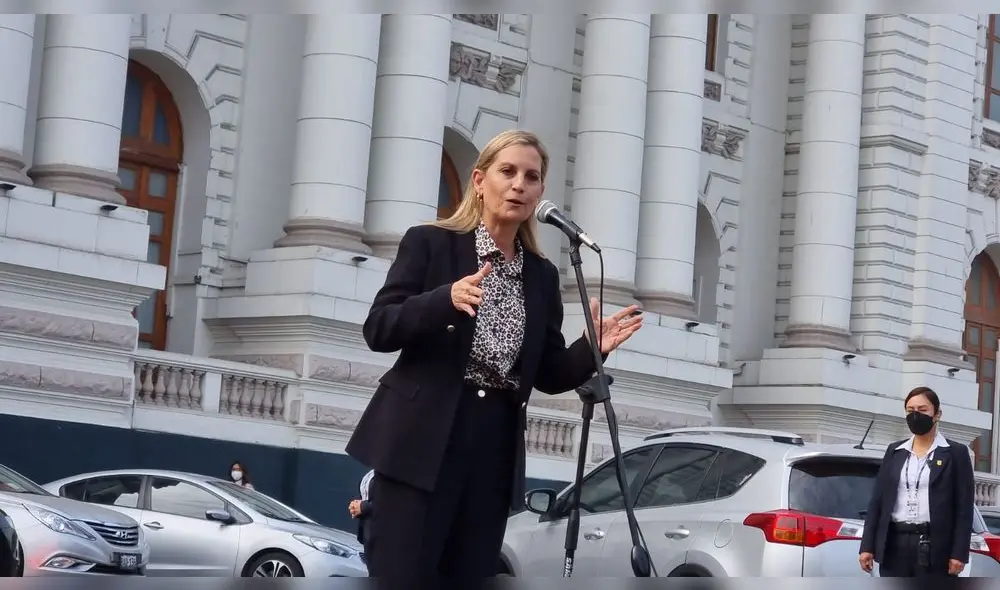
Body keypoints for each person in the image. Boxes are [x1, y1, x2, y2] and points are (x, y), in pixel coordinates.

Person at [345, 129, 643, 581]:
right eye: (508, 172)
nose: (519, 184)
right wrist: (443, 299)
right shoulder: (430, 243)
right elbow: (379, 328)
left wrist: (590, 350)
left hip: (494, 447)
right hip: (421, 442)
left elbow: (546, 372)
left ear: (542, 192)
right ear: (479, 181)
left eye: (532, 176)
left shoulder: (542, 276)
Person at [858, 386, 975, 577]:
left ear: (937, 414)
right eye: (910, 411)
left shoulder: (955, 453)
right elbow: (878, 502)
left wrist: (959, 554)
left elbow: (964, 508)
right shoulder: (895, 451)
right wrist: (867, 546)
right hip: (895, 543)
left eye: (922, 410)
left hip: (934, 546)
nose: (915, 416)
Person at [349, 469, 375, 554]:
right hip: (369, 538)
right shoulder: (372, 473)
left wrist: (362, 507)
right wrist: (355, 506)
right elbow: (364, 496)